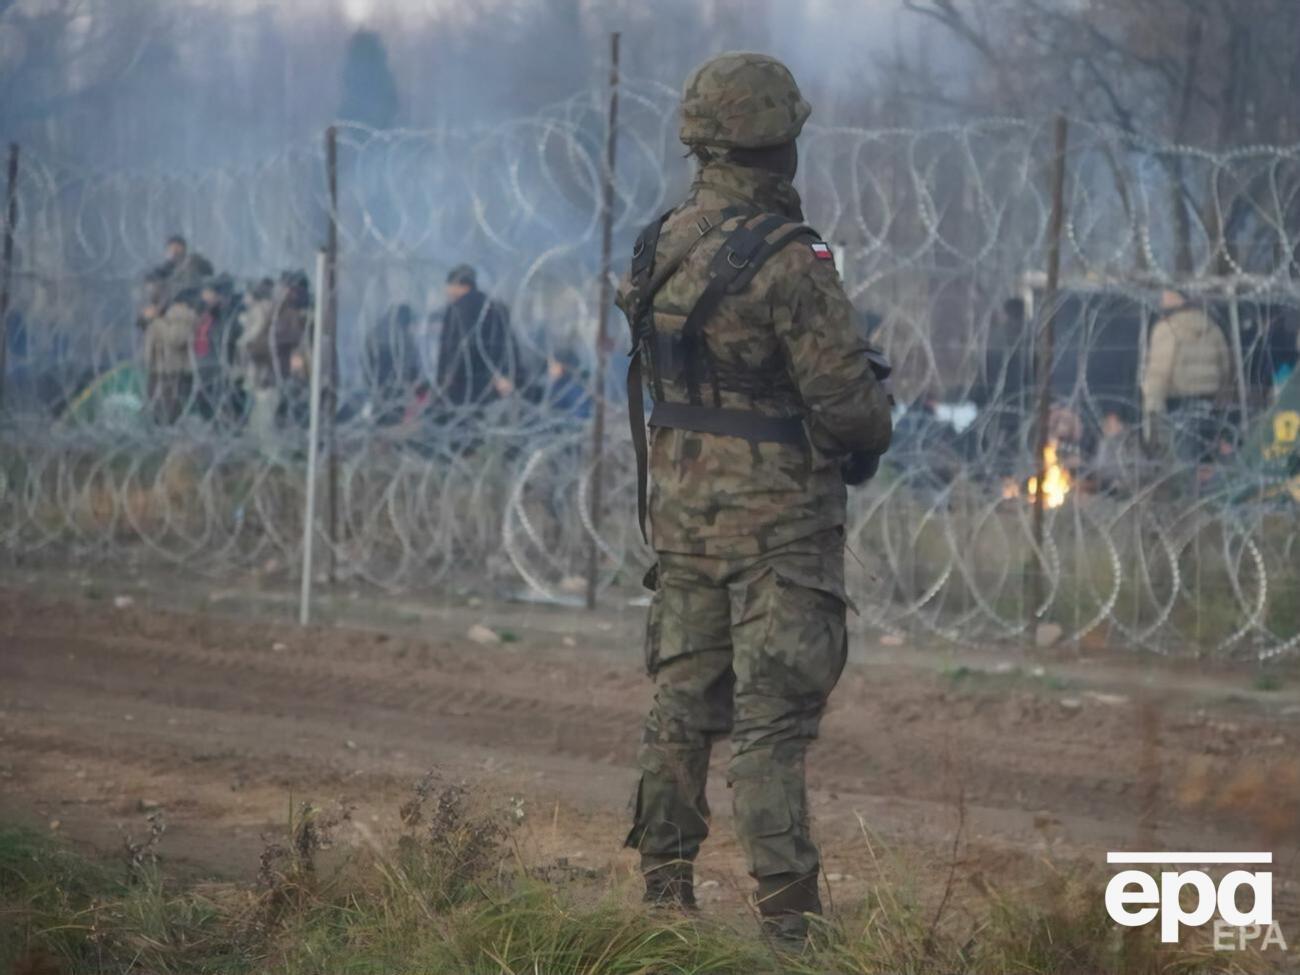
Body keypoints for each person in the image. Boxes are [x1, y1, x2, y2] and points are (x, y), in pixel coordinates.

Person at [615, 52, 892, 948]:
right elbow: (848, 407)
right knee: (771, 724)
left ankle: (663, 899)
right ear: (778, 143)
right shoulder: (791, 259)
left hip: (685, 517)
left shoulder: (660, 242)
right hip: (781, 528)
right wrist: (868, 428)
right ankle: (791, 925)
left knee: (680, 707)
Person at [1140, 289, 1232, 467]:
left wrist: (1152, 407)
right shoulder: (1210, 326)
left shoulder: (1166, 328)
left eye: (1165, 296)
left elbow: (1159, 372)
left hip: (1179, 405)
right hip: (1210, 404)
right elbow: (1226, 366)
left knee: (1184, 466)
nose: (1161, 300)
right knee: (1207, 463)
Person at [434, 265, 519, 410]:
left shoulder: (458, 308)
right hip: (492, 380)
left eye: (449, 285)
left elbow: (457, 345)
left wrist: (446, 376)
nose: (447, 291)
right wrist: (505, 373)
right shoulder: (494, 306)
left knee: (460, 424)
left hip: (462, 383)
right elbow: (509, 342)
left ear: (458, 285)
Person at [143, 286, 201, 424]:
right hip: (157, 370)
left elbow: (175, 339)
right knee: (155, 413)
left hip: (173, 371)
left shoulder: (181, 315)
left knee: (168, 415)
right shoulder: (162, 318)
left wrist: (155, 321)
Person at [193, 275, 244, 424]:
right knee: (205, 410)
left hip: (218, 371)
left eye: (207, 292)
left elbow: (228, 340)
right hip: (202, 369)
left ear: (219, 296)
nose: (203, 296)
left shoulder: (229, 317)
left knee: (219, 412)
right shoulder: (205, 314)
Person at [365, 303, 422, 425]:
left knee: (380, 420)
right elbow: (410, 364)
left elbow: (367, 363)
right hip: (395, 389)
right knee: (392, 421)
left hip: (378, 387)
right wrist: (413, 380)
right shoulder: (402, 338)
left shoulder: (375, 333)